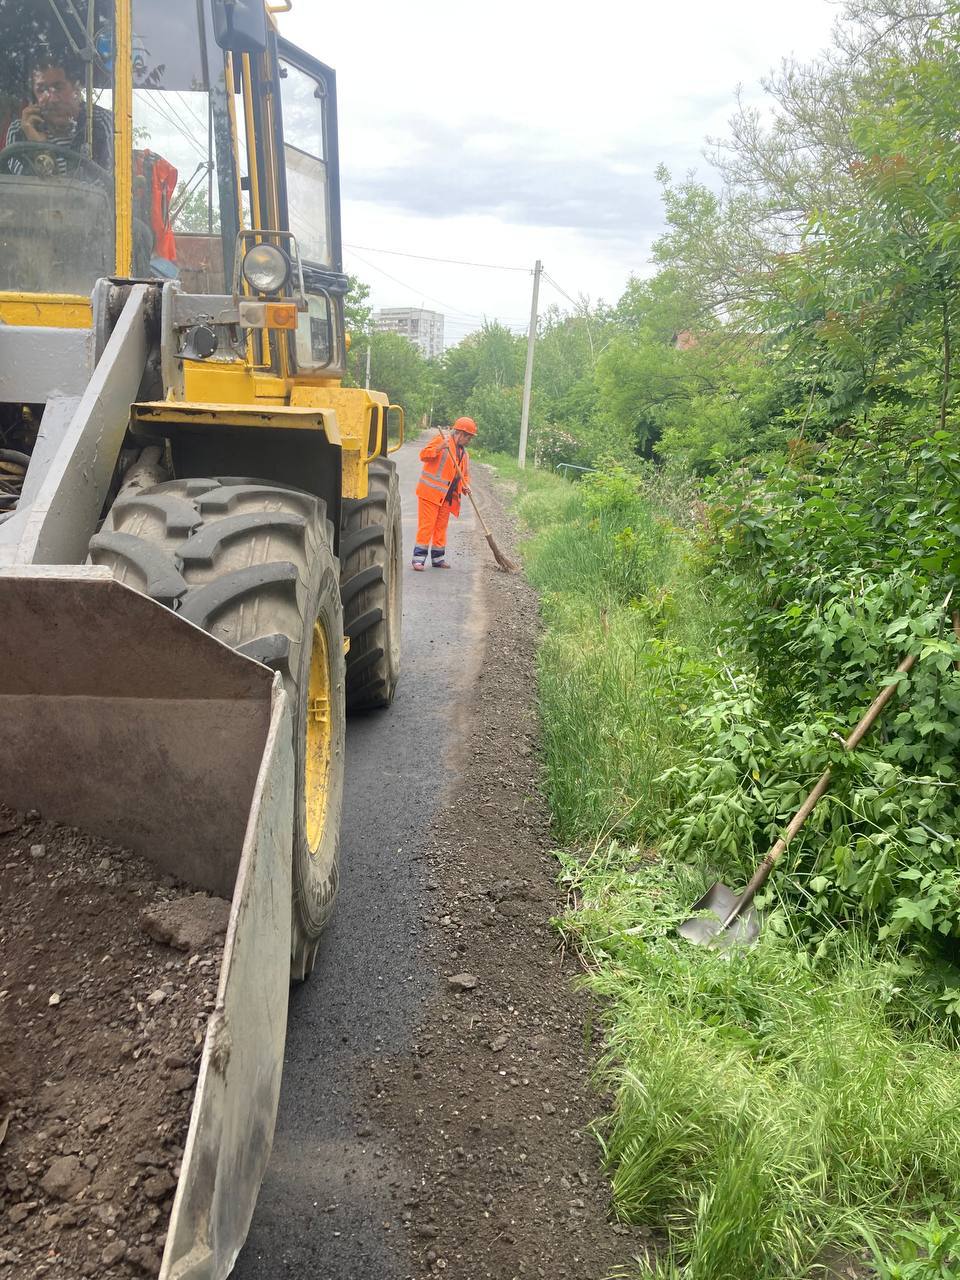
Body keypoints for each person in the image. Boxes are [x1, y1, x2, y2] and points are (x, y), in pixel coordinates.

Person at [3, 53, 113, 174]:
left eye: (59, 87)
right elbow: (22, 188)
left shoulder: (102, 122)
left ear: (77, 89)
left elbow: (105, 187)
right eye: (42, 90)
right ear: (34, 96)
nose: (52, 99)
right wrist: (39, 147)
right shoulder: (21, 131)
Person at [413, 417, 477, 570]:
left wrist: (465, 486)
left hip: (447, 497)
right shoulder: (442, 440)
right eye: (468, 437)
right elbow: (423, 455)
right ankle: (418, 560)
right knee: (427, 526)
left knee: (441, 527)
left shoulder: (464, 454)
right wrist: (439, 448)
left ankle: (438, 559)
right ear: (460, 434)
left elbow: (464, 474)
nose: (469, 441)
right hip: (430, 494)